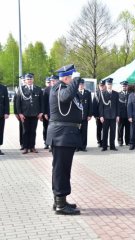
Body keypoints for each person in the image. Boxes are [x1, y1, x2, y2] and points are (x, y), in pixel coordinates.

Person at [46, 64, 82, 215]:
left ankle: (60, 201)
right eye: (73, 79)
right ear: (67, 78)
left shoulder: (63, 87)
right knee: (61, 170)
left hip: (65, 135)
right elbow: (66, 97)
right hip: (62, 135)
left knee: (62, 169)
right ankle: (60, 205)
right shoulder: (59, 88)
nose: (76, 82)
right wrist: (76, 80)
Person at [16, 73, 43, 154]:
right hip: (25, 114)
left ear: (33, 80)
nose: (29, 81)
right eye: (28, 79)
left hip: (35, 114)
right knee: (25, 131)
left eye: (31, 79)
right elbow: (18, 103)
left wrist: (41, 112)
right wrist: (20, 113)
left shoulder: (38, 89)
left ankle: (32, 147)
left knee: (33, 131)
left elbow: (41, 102)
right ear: (26, 80)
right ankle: (25, 147)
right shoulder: (21, 89)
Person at [99, 78, 119, 151]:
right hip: (105, 116)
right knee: (105, 132)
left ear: (112, 85)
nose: (109, 85)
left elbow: (117, 105)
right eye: (108, 84)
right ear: (106, 85)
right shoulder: (103, 94)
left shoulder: (116, 94)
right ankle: (104, 146)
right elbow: (101, 106)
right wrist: (101, 116)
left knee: (113, 132)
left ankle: (112, 146)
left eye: (110, 84)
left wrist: (117, 115)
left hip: (113, 116)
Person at [43, 76, 59, 149]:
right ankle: (46, 143)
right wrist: (45, 113)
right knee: (47, 129)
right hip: (48, 113)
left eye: (54, 81)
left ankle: (54, 144)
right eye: (51, 81)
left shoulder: (60, 89)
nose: (52, 82)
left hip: (57, 114)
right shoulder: (46, 90)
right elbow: (44, 102)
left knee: (56, 129)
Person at [76, 79, 92, 151]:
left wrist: (89, 115)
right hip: (77, 117)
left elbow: (90, 104)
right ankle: (77, 147)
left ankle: (83, 146)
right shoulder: (75, 93)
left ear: (84, 85)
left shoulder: (87, 93)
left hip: (85, 116)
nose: (81, 85)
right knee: (77, 132)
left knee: (84, 132)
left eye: (82, 84)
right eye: (79, 84)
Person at [92, 80, 105, 147]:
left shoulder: (107, 93)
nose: (102, 87)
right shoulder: (96, 93)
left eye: (103, 85)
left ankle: (104, 141)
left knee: (105, 129)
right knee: (99, 129)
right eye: (100, 86)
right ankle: (99, 141)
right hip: (98, 116)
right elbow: (94, 105)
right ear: (98, 86)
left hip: (106, 115)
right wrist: (96, 115)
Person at [117, 81, 130, 146]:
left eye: (125, 86)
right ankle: (120, 141)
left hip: (128, 115)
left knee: (128, 129)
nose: (124, 87)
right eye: (123, 86)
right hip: (121, 115)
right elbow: (117, 106)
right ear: (121, 87)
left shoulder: (130, 94)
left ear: (127, 86)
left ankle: (128, 141)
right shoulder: (118, 94)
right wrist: (117, 115)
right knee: (120, 129)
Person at [13, 76, 24, 150]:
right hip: (21, 113)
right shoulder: (18, 89)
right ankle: (22, 143)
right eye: (22, 80)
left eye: (24, 80)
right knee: (22, 129)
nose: (23, 81)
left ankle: (30, 144)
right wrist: (16, 113)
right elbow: (15, 102)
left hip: (29, 113)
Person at [0, 82, 10, 155]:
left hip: (1, 114)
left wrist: (6, 112)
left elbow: (6, 101)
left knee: (0, 131)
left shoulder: (3, 88)